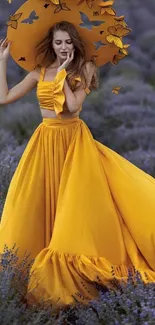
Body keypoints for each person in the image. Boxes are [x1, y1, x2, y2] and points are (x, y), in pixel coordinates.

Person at [0, 6, 155, 310]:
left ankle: (69, 281)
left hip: (73, 142)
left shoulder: (85, 69)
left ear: (75, 44)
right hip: (45, 142)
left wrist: (63, 75)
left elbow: (70, 107)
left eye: (67, 43)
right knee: (37, 204)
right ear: (50, 43)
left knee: (74, 208)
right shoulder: (39, 71)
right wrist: (2, 62)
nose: (63, 47)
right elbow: (4, 99)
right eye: (58, 43)